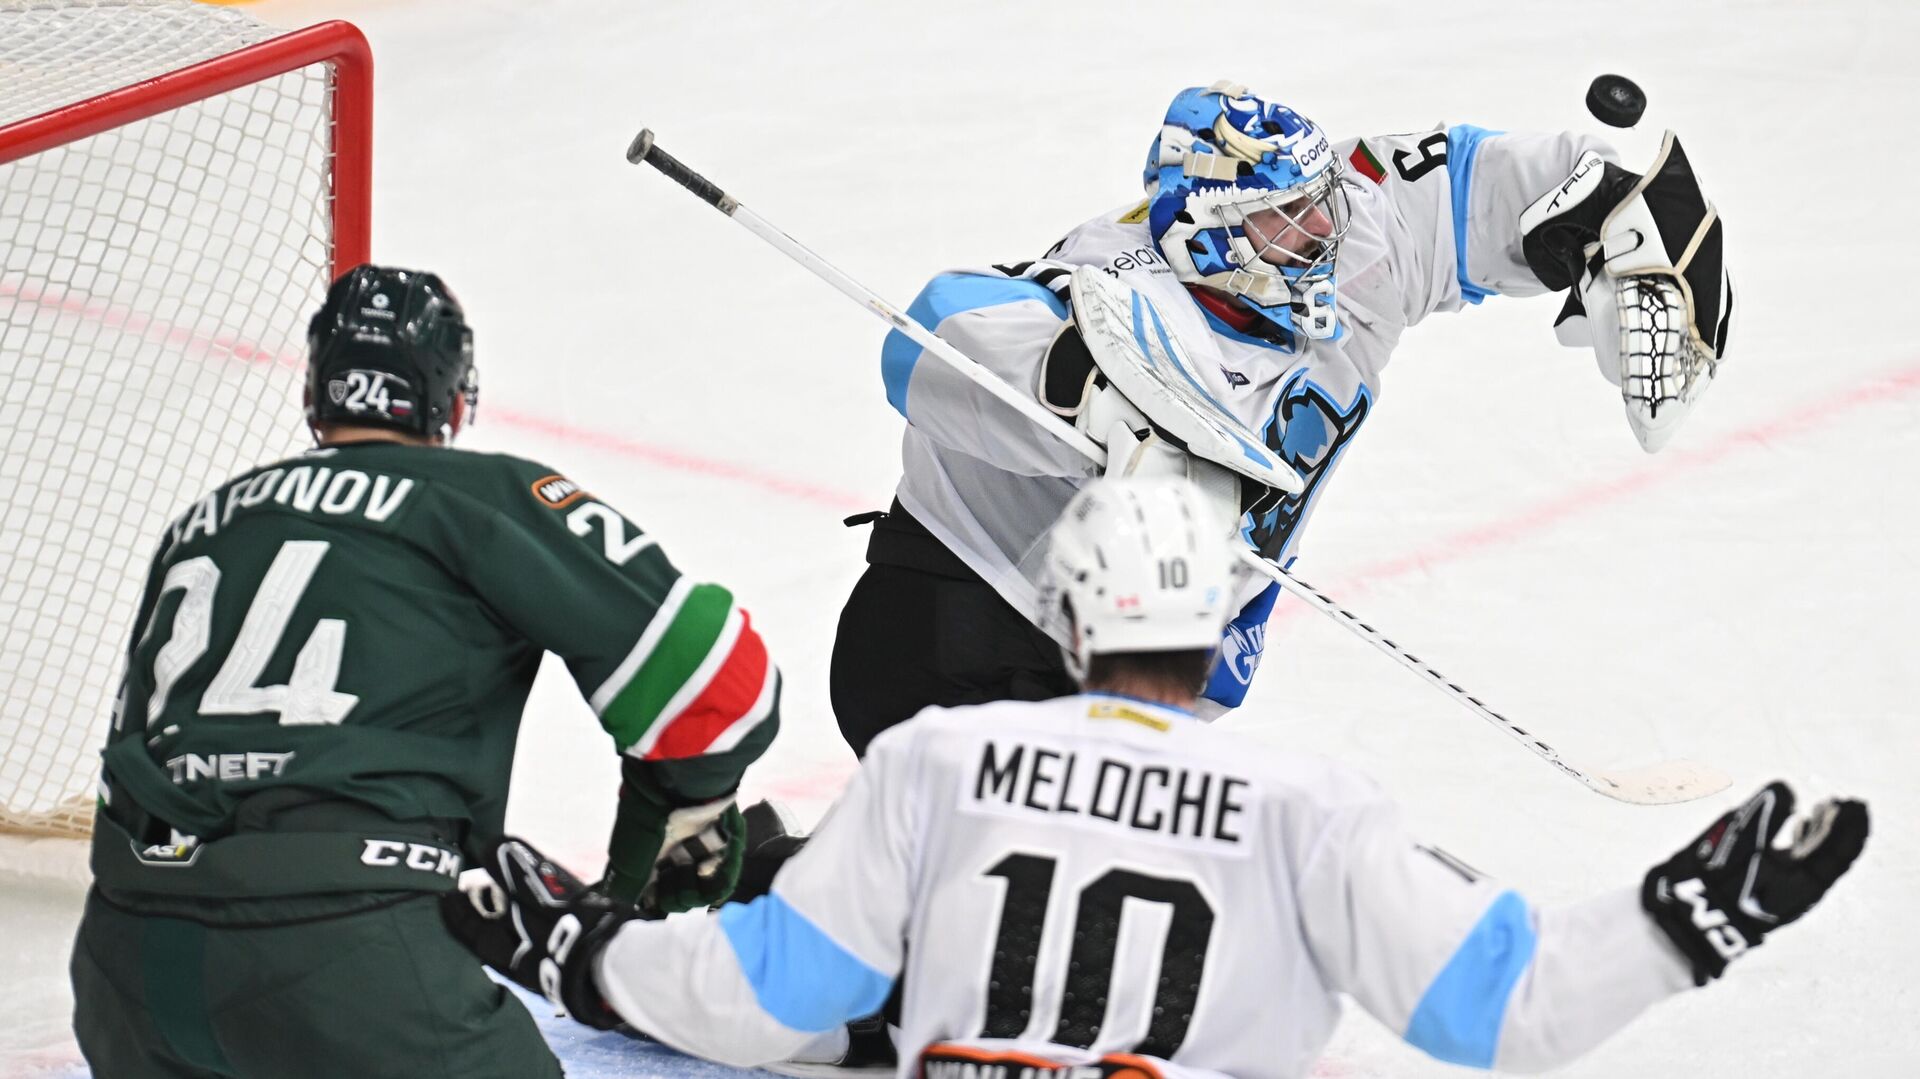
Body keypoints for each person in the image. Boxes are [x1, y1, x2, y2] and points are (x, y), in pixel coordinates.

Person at [447, 476, 1862, 1079]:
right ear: (1213, 623)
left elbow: (773, 996)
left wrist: (581, 949)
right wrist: (1685, 919)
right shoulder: (1309, 805)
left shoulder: (940, 762)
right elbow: (1506, 1007)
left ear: (1065, 618)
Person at [830, 80, 1735, 756]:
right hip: (959, 634)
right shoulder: (1120, 291)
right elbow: (936, 333)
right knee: (1002, 920)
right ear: (1210, 231)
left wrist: (1615, 205)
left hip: (1133, 676)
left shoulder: (1352, 236)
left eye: (1317, 201)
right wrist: (1096, 400)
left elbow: (1470, 184)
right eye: (1285, 219)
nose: (1321, 231)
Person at [67, 265, 781, 1079]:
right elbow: (719, 678)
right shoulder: (477, 496)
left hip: (126, 966)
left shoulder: (201, 523)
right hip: (348, 956)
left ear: (317, 388)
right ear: (452, 397)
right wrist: (678, 813)